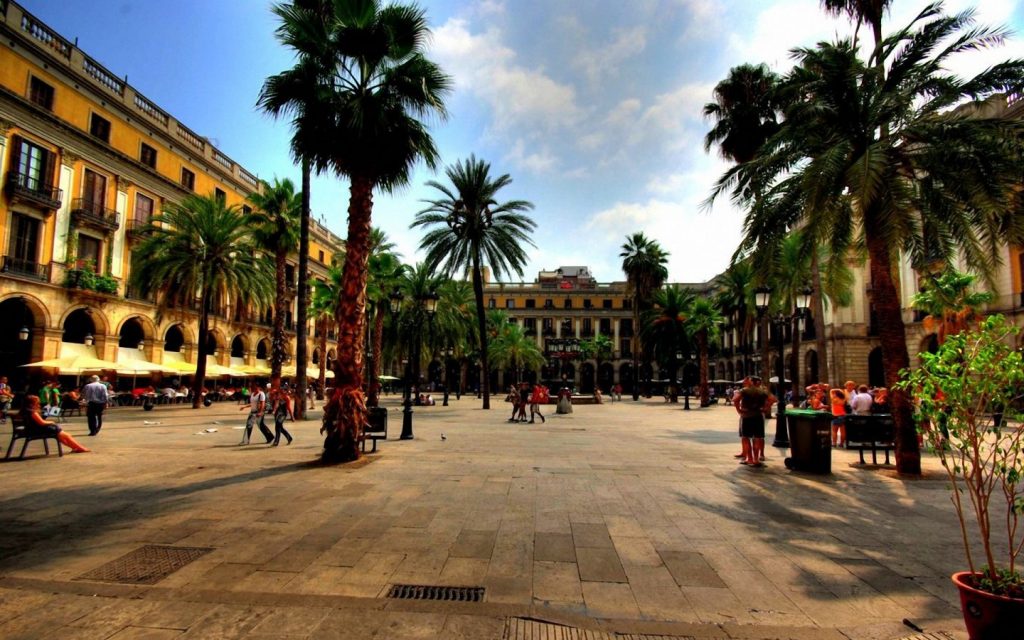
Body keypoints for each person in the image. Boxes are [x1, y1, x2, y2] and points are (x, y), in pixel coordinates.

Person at [20, 395, 89, 453]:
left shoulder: (24, 411)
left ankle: (75, 448)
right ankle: (80, 448)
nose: (38, 404)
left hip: (31, 430)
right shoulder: (32, 412)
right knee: (66, 435)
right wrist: (52, 422)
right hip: (37, 430)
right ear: (32, 403)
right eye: (37, 403)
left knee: (60, 435)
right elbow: (42, 422)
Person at [733, 376, 771, 467]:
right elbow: (773, 399)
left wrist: (739, 410)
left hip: (746, 416)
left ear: (750, 382)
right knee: (757, 438)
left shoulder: (744, 390)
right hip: (758, 416)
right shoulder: (763, 391)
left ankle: (749, 458)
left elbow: (735, 400)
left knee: (746, 437)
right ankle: (756, 459)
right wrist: (765, 408)